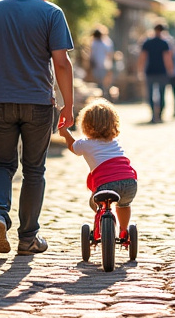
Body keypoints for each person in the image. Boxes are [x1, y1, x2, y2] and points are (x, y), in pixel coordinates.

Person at [0, 0, 75, 255]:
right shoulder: (52, 13)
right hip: (38, 103)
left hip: (0, 101)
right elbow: (62, 63)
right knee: (33, 170)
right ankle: (28, 238)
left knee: (2, 164)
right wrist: (68, 104)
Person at [59, 99, 139, 240]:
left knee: (95, 201)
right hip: (130, 182)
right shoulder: (115, 142)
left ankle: (101, 224)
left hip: (106, 185)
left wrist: (65, 133)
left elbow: (73, 147)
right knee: (124, 204)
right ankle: (124, 231)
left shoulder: (85, 143)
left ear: (86, 124)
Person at [138, 23, 173, 123]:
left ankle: (153, 115)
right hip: (162, 71)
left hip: (150, 71)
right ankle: (160, 115)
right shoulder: (164, 43)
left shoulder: (148, 42)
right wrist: (170, 70)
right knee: (162, 94)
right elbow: (167, 58)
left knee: (150, 94)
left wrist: (140, 70)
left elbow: (142, 57)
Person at [88, 26, 113, 91]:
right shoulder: (104, 44)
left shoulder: (94, 43)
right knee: (102, 81)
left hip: (96, 64)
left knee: (98, 80)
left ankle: (101, 90)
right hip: (102, 65)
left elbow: (92, 55)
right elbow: (109, 53)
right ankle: (103, 91)